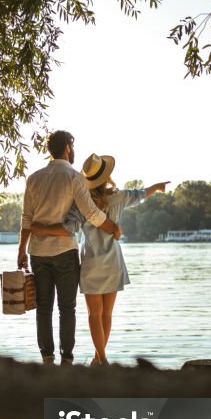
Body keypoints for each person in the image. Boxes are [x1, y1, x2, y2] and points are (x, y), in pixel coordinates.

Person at [32, 153, 168, 365]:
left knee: (94, 314)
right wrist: (157, 187)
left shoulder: (81, 204)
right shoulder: (119, 197)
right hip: (113, 260)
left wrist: (40, 228)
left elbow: (67, 229)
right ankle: (100, 357)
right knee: (107, 314)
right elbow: (140, 194)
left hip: (91, 263)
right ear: (107, 176)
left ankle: (100, 358)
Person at [18, 132, 121, 365]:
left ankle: (46, 358)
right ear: (66, 148)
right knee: (67, 308)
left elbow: (26, 218)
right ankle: (66, 360)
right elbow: (92, 214)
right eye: (72, 146)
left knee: (43, 307)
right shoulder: (75, 178)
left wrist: (21, 250)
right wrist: (113, 227)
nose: (73, 150)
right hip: (65, 252)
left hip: (38, 253)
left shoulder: (33, 178)